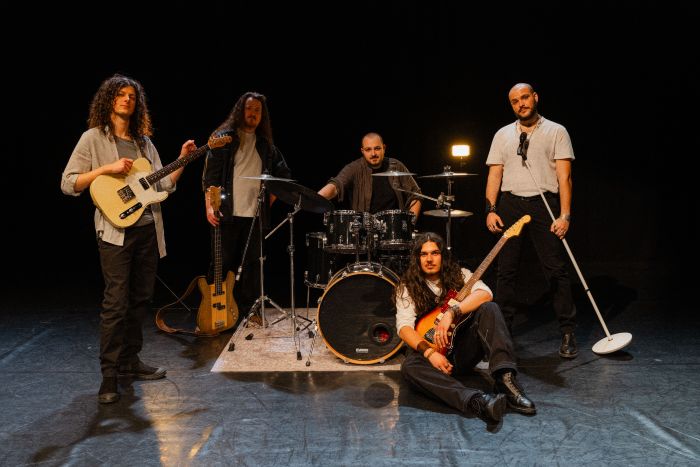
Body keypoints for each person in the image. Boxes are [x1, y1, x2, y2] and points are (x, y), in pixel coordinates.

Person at [61, 74, 197, 404]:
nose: (126, 99)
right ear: (109, 100)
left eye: (132, 96)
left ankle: (130, 361)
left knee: (140, 299)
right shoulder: (93, 138)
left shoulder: (144, 143)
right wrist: (105, 169)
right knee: (115, 303)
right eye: (120, 94)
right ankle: (109, 375)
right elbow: (68, 183)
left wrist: (183, 159)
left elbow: (164, 185)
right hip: (115, 232)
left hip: (148, 229)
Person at [395, 232, 536, 423]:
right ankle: (477, 402)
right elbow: (404, 328)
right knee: (409, 367)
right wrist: (430, 353)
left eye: (435, 253)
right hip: (432, 359)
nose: (429, 259)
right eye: (424, 254)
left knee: (489, 308)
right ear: (417, 259)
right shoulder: (407, 287)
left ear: (443, 256)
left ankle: (506, 382)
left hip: (462, 352)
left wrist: (452, 312)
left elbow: (485, 294)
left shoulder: (461, 275)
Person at [484, 82, 578, 359]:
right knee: (506, 270)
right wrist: (491, 209)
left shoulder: (556, 131)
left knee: (555, 269)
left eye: (525, 97)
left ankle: (568, 331)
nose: (521, 104)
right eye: (515, 101)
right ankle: (502, 334)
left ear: (535, 97)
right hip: (511, 204)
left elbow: (564, 177)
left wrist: (564, 215)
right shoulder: (503, 134)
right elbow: (494, 174)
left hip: (543, 204)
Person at [201, 91, 290, 323]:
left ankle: (249, 313)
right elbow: (210, 176)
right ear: (240, 111)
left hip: (255, 217)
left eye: (257, 110)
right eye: (249, 109)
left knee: (252, 268)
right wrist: (209, 206)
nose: (252, 114)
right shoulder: (224, 139)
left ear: (262, 115)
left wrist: (268, 201)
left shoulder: (266, 145)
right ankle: (214, 312)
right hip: (226, 213)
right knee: (221, 265)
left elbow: (283, 175)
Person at [318, 132, 422, 217]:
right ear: (362, 151)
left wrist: (410, 224)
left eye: (377, 148)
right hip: (364, 230)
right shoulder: (354, 168)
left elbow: (416, 195)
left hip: (393, 230)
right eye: (368, 149)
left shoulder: (396, 166)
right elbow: (336, 185)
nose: (373, 154)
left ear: (384, 148)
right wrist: (316, 198)